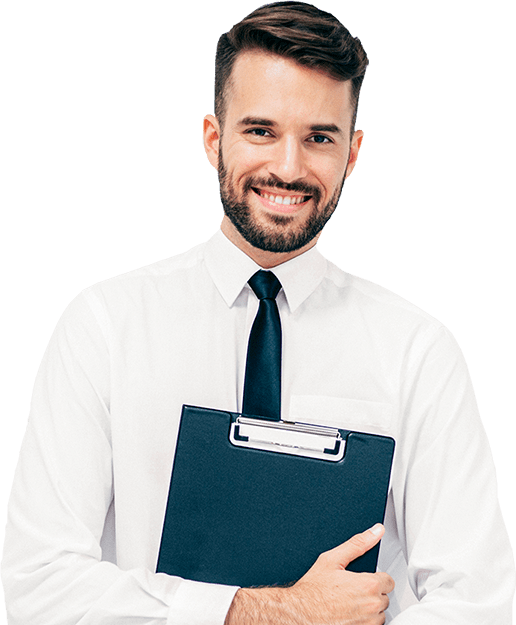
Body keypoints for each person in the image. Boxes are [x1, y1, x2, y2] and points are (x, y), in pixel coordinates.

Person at [1, 1, 514, 623]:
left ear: (351, 154)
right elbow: (41, 585)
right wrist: (272, 612)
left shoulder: (417, 350)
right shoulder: (104, 327)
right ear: (214, 139)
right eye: (261, 131)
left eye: (319, 138)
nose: (288, 168)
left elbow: (475, 599)